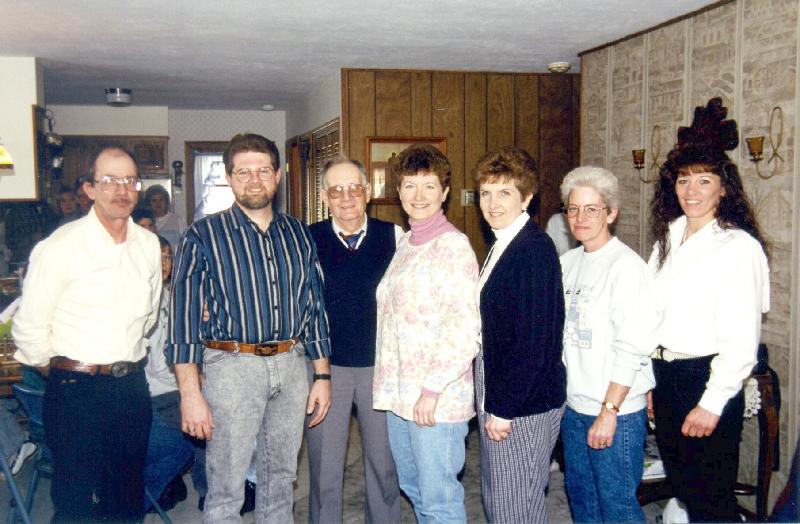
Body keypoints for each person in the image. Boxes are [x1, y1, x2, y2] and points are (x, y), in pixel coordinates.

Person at [168, 133, 332, 523]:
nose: (254, 180)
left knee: (281, 478)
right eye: (243, 172)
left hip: (292, 366)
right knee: (226, 485)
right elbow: (183, 321)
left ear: (277, 176)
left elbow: (313, 306)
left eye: (263, 170)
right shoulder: (202, 235)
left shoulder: (298, 233)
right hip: (232, 368)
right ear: (229, 177)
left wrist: (322, 375)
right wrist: (190, 394)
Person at [12, 146, 162, 522]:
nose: (121, 190)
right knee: (80, 504)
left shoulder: (148, 245)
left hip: (131, 387)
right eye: (109, 180)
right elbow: (29, 328)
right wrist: (65, 371)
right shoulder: (60, 246)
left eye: (129, 180)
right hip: (76, 390)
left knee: (126, 499)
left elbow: (148, 317)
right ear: (90, 189)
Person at [649, 97, 770, 522]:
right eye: (684, 180)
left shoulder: (738, 247)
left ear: (724, 187)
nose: (691, 191)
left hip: (705, 378)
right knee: (685, 492)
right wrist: (650, 382)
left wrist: (712, 403)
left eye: (704, 181)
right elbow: (652, 316)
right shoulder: (669, 236)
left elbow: (741, 340)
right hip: (667, 378)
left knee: (711, 504)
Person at [373, 144, 480, 523]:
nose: (419, 195)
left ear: (445, 192)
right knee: (415, 487)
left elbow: (464, 328)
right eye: (410, 185)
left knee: (439, 499)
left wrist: (431, 390)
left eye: (429, 186)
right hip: (400, 395)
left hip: (436, 398)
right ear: (398, 192)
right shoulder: (406, 243)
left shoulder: (453, 247)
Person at [558, 166, 657, 523]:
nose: (580, 218)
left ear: (611, 213)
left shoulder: (626, 267)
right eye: (573, 209)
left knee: (618, 509)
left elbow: (632, 347)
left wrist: (609, 412)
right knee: (582, 503)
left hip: (615, 411)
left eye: (591, 209)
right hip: (575, 407)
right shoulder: (567, 263)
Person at [472, 146, 566, 523]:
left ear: (526, 197)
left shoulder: (533, 249)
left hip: (524, 402)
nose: (492, 203)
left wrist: (504, 407)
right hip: (505, 390)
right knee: (506, 501)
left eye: (504, 192)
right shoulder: (504, 242)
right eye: (485, 193)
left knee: (514, 507)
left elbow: (535, 343)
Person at [307, 157, 402, 524]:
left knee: (383, 465)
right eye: (336, 190)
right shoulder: (308, 239)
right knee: (324, 468)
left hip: (380, 368)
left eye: (354, 188)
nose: (346, 197)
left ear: (368, 192)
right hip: (325, 369)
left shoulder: (395, 236)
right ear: (324, 197)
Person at [142, 234, 195, 512]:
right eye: (157, 257)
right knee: (201, 433)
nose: (164, 263)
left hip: (171, 387)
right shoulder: (143, 300)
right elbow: (161, 366)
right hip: (156, 397)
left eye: (168, 256)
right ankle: (137, 499)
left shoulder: (169, 294)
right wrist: (193, 378)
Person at [144, 184, 187, 250]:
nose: (158, 203)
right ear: (149, 203)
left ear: (166, 202)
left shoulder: (178, 220)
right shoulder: (146, 222)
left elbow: (185, 244)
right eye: (154, 200)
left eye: (161, 200)